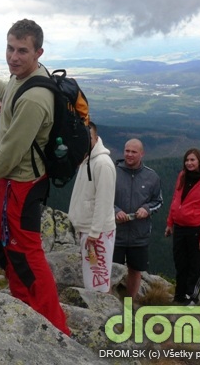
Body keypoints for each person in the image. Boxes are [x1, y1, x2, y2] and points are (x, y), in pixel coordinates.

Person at [0, 18, 71, 336]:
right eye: (10, 48)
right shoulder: (23, 79)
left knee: (26, 252)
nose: (14, 56)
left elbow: (10, 151)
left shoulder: (36, 99)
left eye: (22, 51)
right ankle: (22, 303)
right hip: (12, 181)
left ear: (38, 52)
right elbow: (7, 93)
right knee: (2, 239)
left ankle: (56, 327)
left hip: (22, 182)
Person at [68, 122, 116, 293]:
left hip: (97, 232)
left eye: (88, 137)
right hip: (89, 229)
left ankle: (103, 315)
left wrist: (94, 232)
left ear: (96, 138)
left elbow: (104, 201)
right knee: (92, 277)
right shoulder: (87, 160)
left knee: (99, 280)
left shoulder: (102, 163)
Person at [164, 148, 200, 305]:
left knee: (195, 265)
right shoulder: (182, 176)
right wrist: (169, 223)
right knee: (180, 264)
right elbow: (175, 200)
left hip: (196, 230)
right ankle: (179, 296)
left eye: (192, 160)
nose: (189, 163)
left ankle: (191, 297)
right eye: (187, 160)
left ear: (199, 161)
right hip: (179, 228)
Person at [113, 138, 163, 299]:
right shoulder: (113, 172)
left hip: (138, 235)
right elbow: (102, 198)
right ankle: (109, 301)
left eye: (134, 152)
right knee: (112, 269)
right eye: (127, 150)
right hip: (115, 233)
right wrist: (115, 210)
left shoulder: (152, 176)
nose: (129, 154)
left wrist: (147, 209)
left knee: (135, 270)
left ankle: (130, 302)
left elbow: (158, 201)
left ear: (142, 154)